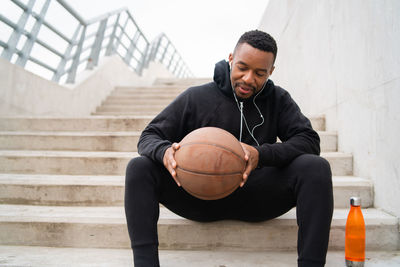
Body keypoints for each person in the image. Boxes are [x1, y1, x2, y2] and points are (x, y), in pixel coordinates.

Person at [124, 30, 333, 267]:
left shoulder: (278, 99)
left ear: (271, 72)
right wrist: (165, 153)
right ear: (231, 58)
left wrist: (261, 154)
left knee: (316, 168)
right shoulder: (196, 97)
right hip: (199, 196)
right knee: (139, 167)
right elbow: (149, 136)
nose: (248, 78)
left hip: (257, 196)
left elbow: (308, 140)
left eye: (259, 73)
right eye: (242, 67)